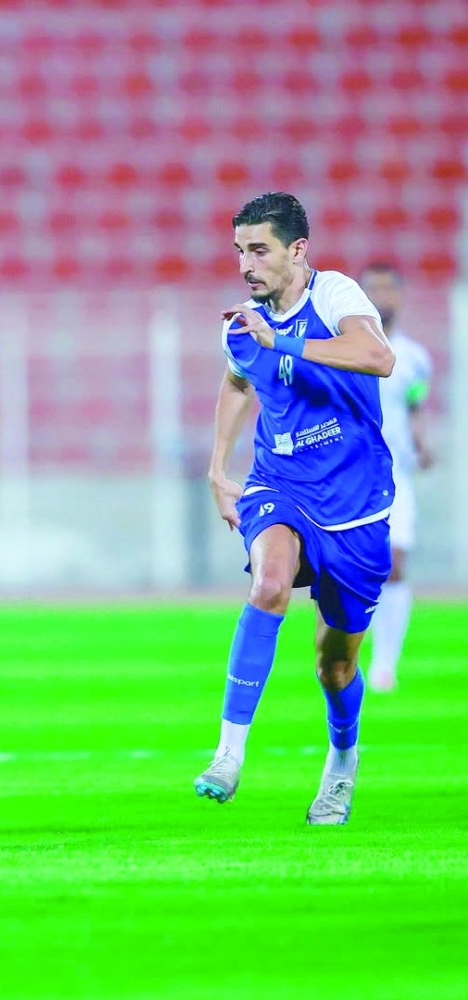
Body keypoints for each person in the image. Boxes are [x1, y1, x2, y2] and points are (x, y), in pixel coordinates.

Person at [196, 192, 395, 825]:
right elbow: (236, 379)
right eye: (240, 252)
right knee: (270, 584)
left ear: (298, 251)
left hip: (356, 502)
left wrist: (283, 341)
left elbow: (377, 358)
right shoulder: (242, 323)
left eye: (260, 251)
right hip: (281, 483)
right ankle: (228, 755)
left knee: (334, 665)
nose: (247, 265)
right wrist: (218, 466)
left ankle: (341, 763)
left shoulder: (335, 296)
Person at [359, 262, 433, 693]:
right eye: (373, 289)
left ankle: (386, 665)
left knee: (397, 563)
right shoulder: (343, 349)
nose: (381, 297)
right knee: (359, 570)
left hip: (396, 475)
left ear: (400, 296)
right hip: (352, 475)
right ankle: (352, 651)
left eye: (388, 289)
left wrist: (422, 445)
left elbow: (415, 406)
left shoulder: (415, 359)